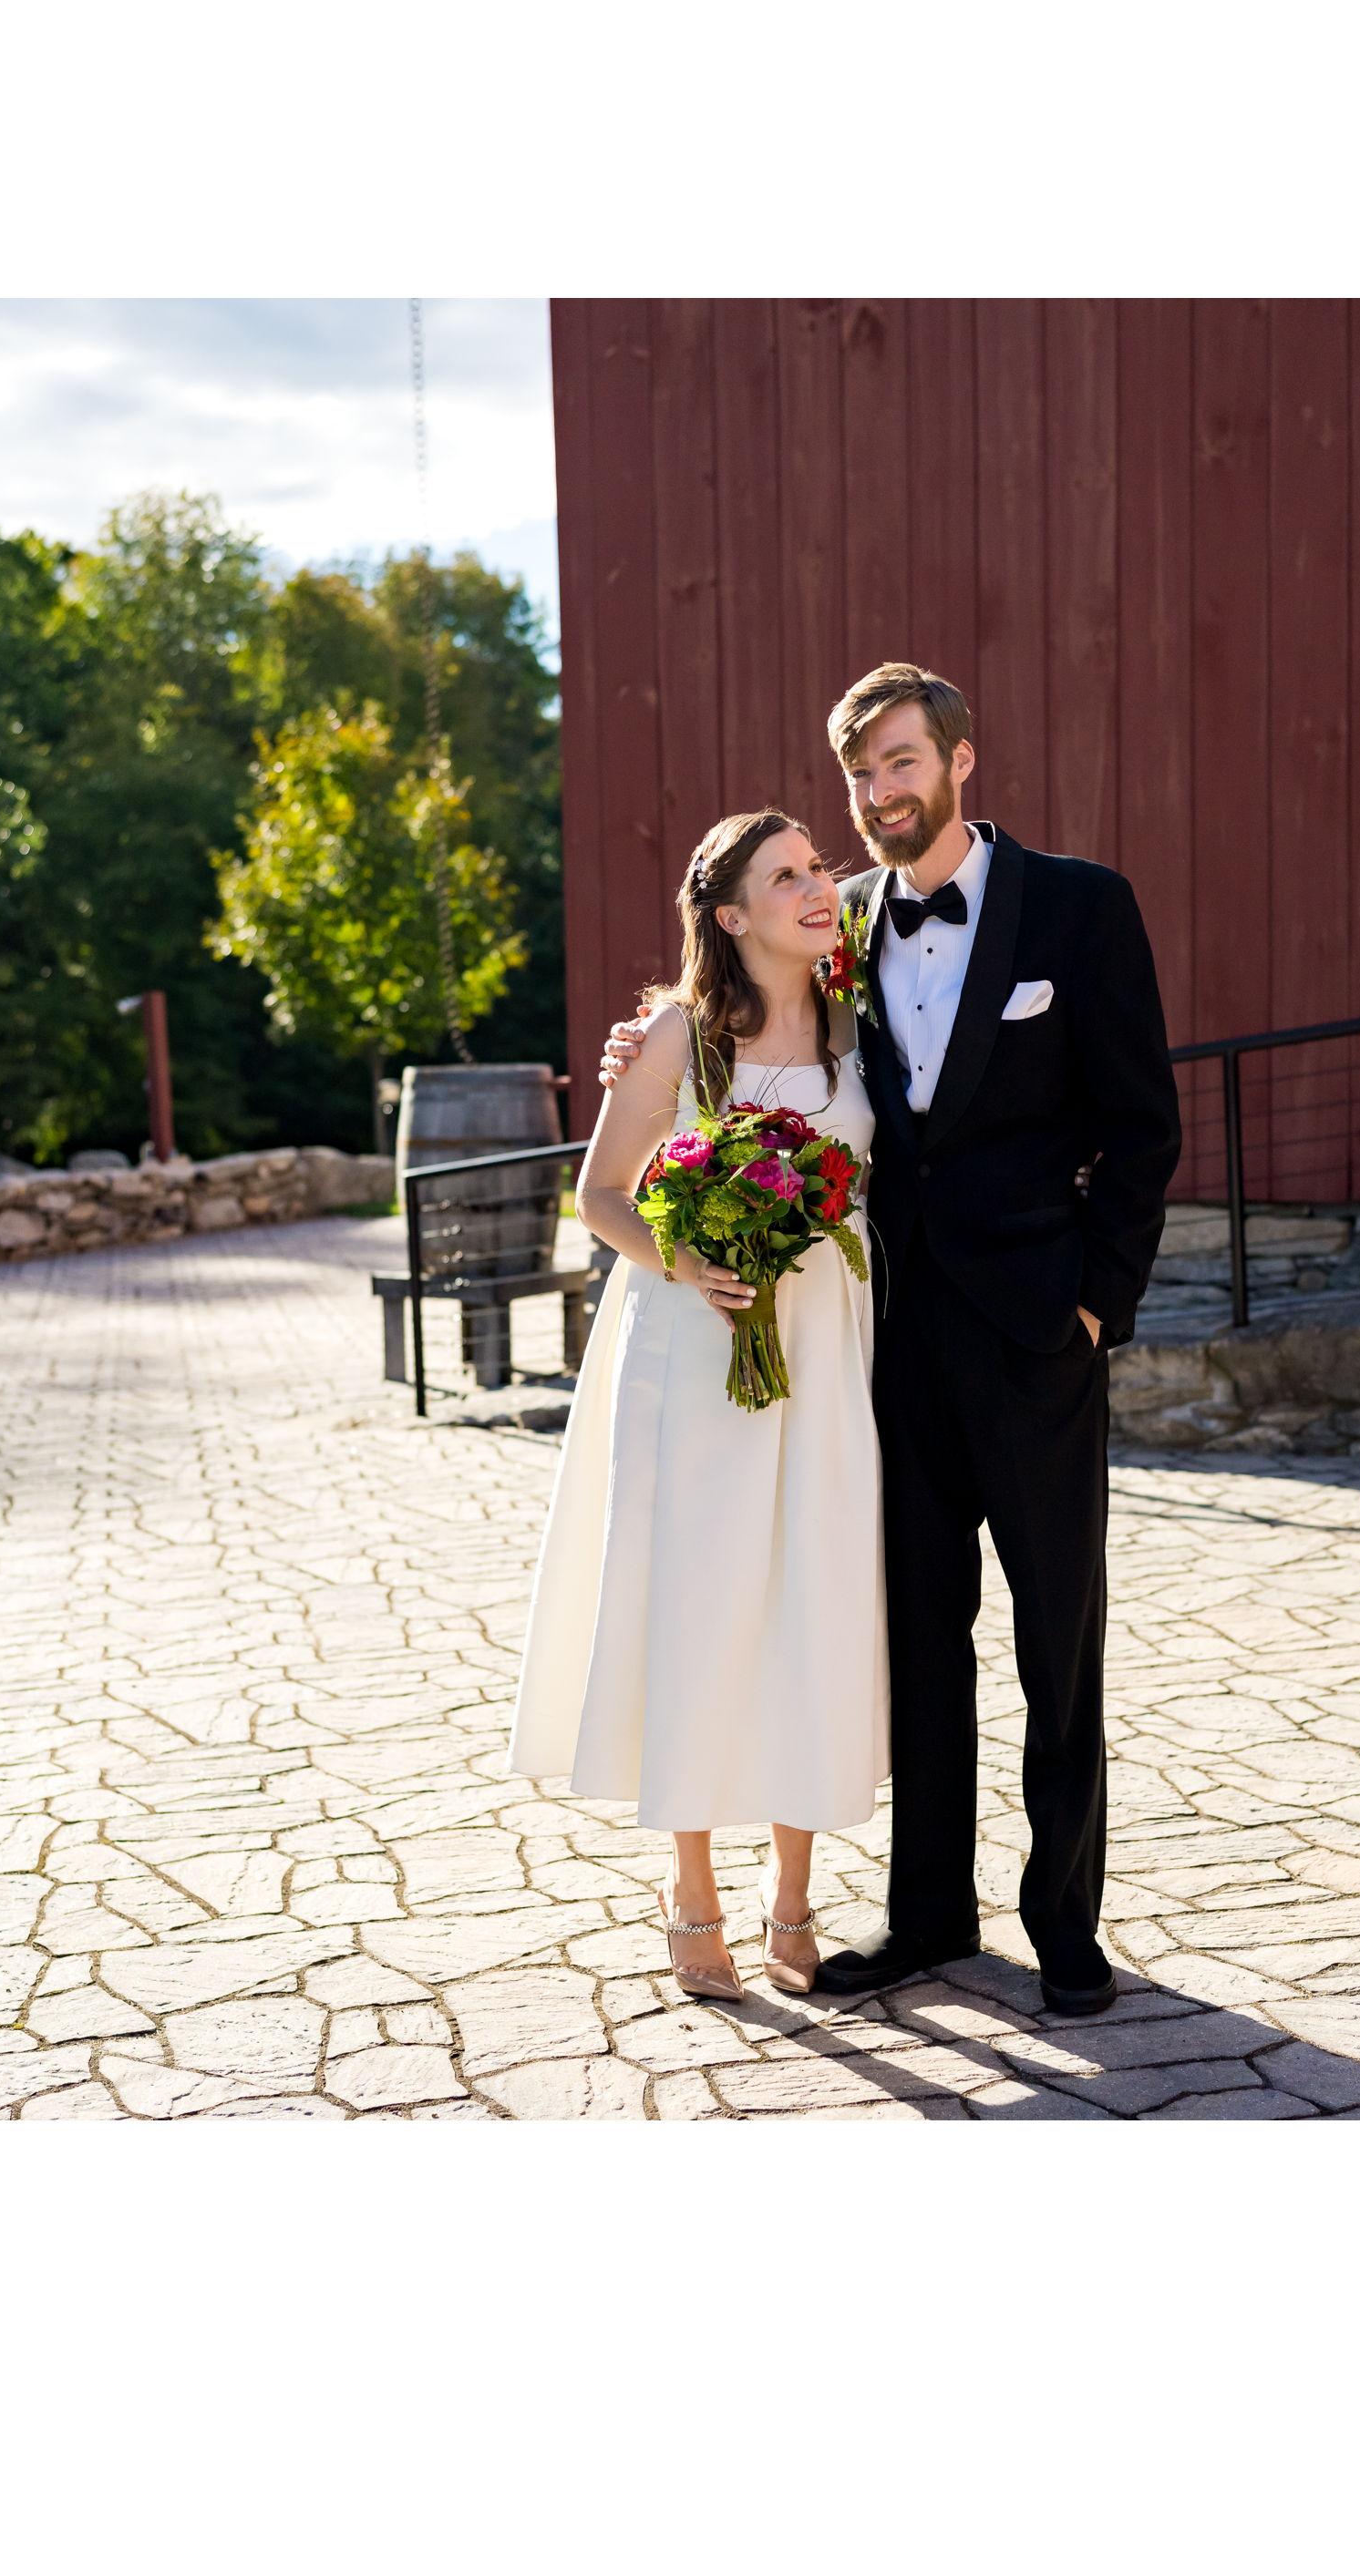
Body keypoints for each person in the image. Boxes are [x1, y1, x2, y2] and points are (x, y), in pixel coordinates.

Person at [601, 666, 1180, 2017]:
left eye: (902, 762)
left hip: (1040, 1340)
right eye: (860, 774)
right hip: (890, 1351)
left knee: (1060, 1642)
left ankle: (1066, 1924)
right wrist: (653, 1038)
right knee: (918, 1643)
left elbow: (1143, 1129)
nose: (880, 795)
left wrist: (1100, 1305)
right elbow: (732, 1022)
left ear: (961, 760)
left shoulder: (1085, 909)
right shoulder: (837, 923)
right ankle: (928, 1917)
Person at [506, 811, 885, 2003]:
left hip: (824, 1355)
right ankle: (693, 1891)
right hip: (694, 1352)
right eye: (787, 876)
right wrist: (692, 1262)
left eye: (820, 866)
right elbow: (603, 1197)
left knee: (806, 1604)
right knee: (701, 1606)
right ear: (730, 915)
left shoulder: (857, 1023)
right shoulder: (679, 1034)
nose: (818, 886)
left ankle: (793, 1895)